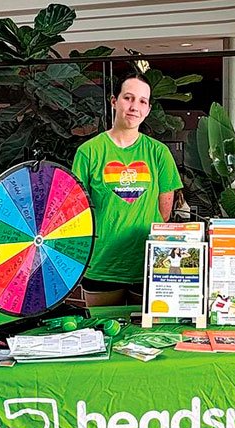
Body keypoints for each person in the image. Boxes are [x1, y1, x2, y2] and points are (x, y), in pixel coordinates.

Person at [72, 72, 183, 306]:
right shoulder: (89, 152)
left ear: (148, 109)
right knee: (103, 334)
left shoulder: (158, 153)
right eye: (128, 98)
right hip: (101, 264)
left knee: (143, 338)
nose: (134, 107)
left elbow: (164, 213)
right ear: (114, 101)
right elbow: (78, 210)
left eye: (142, 101)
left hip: (149, 263)